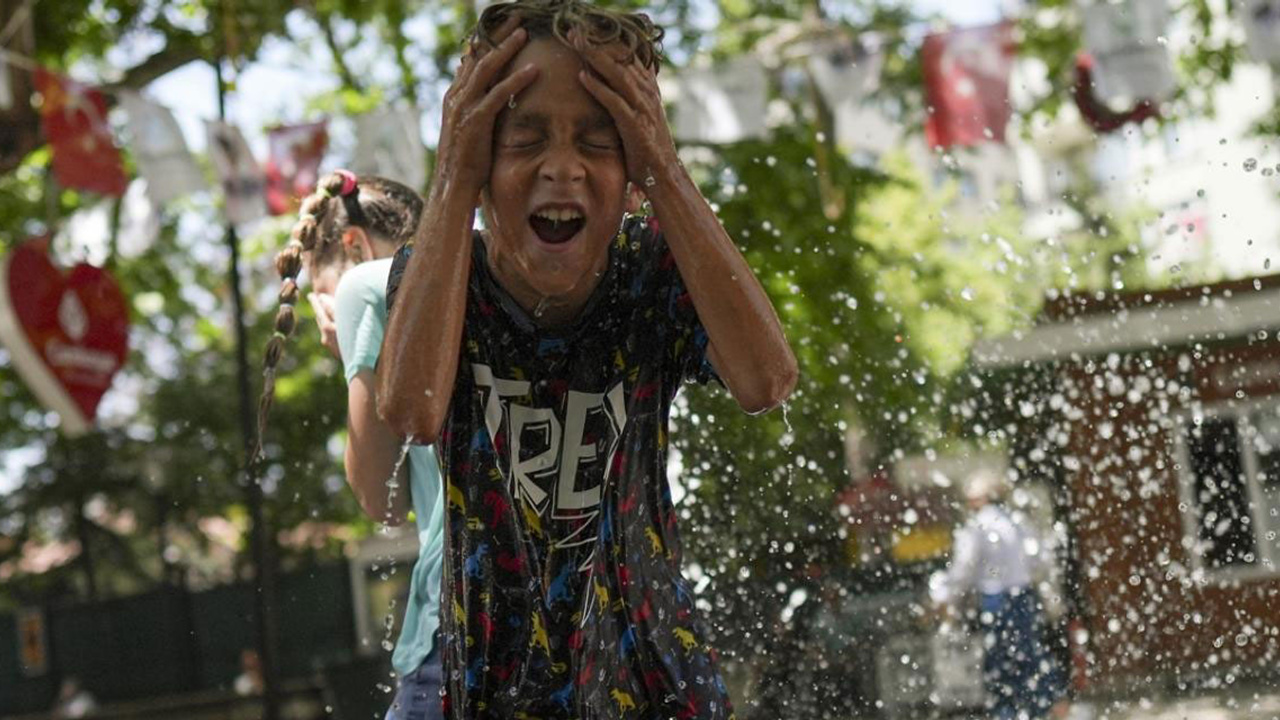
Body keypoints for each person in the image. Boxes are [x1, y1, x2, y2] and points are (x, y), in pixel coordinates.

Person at [376, 1, 798, 717]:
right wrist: (451, 176)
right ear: (478, 162)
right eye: (523, 140)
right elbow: (413, 410)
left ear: (633, 178)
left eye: (600, 142)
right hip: (496, 692)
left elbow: (766, 380)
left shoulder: (652, 271)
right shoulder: (443, 279)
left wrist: (665, 167)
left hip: (658, 682)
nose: (561, 169)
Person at [260, 169, 444, 720]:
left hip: (451, 624)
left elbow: (380, 500)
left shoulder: (367, 285)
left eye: (322, 294)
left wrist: (353, 355)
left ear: (354, 245)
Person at [930, 469, 1065, 720]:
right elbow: (1040, 560)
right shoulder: (1018, 522)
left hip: (996, 600)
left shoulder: (977, 527)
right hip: (1024, 597)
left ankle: (1008, 714)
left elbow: (964, 570)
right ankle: (1041, 709)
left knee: (1001, 664)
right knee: (1030, 657)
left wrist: (945, 596)